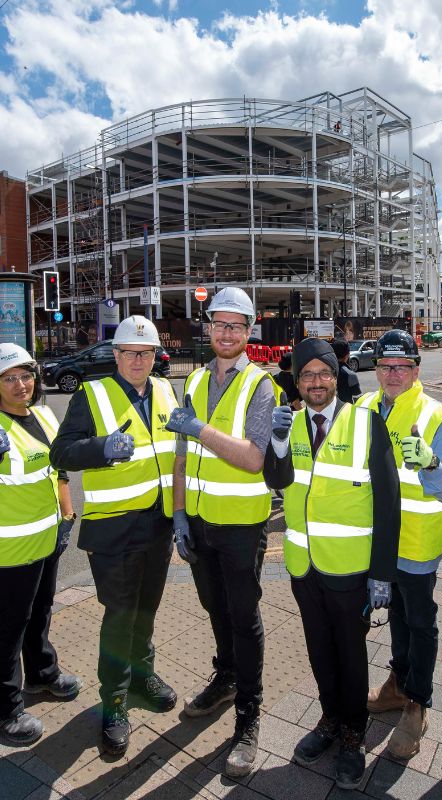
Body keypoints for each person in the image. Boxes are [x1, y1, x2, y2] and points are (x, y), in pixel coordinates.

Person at [263, 338, 399, 790]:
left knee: (350, 652)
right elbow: (276, 479)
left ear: (336, 377)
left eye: (323, 373)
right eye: (307, 375)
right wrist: (277, 443)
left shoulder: (366, 422)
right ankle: (328, 719)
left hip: (350, 569)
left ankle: (353, 733)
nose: (316, 382)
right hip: (304, 567)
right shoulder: (291, 423)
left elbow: (388, 503)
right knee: (319, 649)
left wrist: (381, 573)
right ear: (297, 383)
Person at [49, 315, 179, 756]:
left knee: (146, 610)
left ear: (154, 355)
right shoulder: (93, 393)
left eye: (145, 353)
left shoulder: (164, 389)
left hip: (158, 524)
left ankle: (143, 678)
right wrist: (101, 449)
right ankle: (115, 704)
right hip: (114, 529)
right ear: (116, 355)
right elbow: (61, 451)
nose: (138, 360)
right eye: (129, 353)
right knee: (120, 616)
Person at [167, 287, 281, 777]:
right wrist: (177, 515)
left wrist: (198, 431)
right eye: (220, 324)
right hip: (197, 519)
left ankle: (248, 716)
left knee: (243, 615)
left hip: (239, 523)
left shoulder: (260, 384)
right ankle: (227, 677)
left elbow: (254, 458)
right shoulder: (192, 381)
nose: (227, 333)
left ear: (250, 331)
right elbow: (178, 456)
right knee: (214, 606)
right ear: (208, 327)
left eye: (237, 325)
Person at [0, 343, 81, 746]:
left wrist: (66, 514)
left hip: (47, 538)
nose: (21, 384)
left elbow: (57, 470)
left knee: (41, 610)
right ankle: (4, 709)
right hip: (9, 547)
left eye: (26, 375)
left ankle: (43, 673)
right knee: (11, 624)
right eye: (10, 378)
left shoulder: (44, 414)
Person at [358, 330, 442, 760]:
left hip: (416, 543)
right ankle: (397, 684)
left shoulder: (437, 414)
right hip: (372, 541)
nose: (392, 374)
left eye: (402, 367)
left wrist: (431, 462)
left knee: (419, 620)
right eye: (385, 366)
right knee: (395, 614)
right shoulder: (363, 406)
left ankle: (417, 703)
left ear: (417, 369)